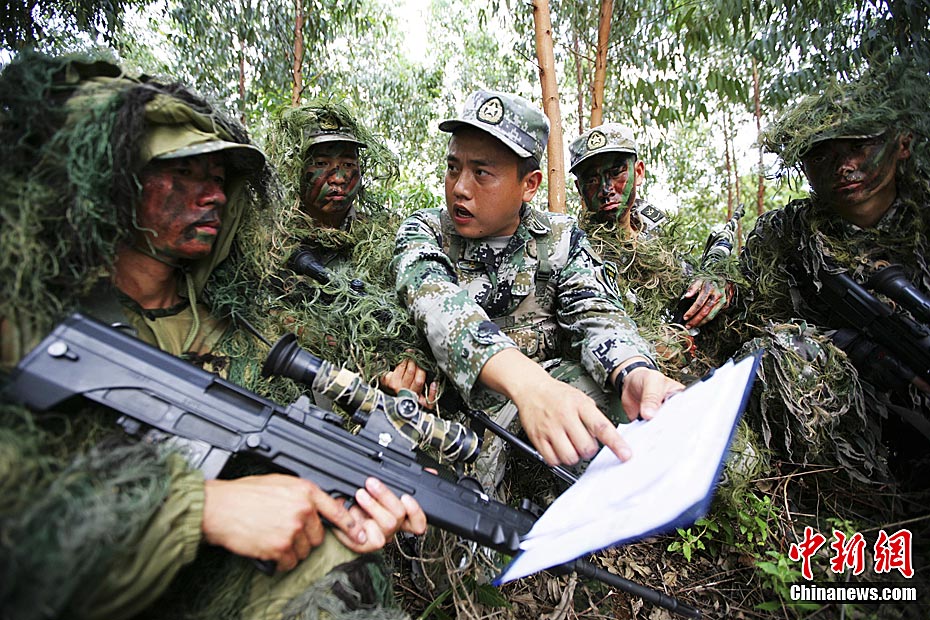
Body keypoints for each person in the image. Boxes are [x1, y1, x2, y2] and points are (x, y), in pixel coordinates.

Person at [0, 52, 425, 620]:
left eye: (219, 179)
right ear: (115, 185)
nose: (214, 196)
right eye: (183, 175)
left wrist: (348, 495)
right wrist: (202, 508)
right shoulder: (29, 321)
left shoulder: (237, 320)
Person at [392, 90, 683, 490]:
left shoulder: (560, 239)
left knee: (641, 420)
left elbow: (596, 310)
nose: (459, 188)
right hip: (452, 421)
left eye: (481, 173)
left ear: (528, 185)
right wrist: (531, 387)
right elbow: (437, 303)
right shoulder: (425, 232)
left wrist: (632, 369)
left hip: (546, 406)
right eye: (452, 167)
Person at [736, 59, 930, 484]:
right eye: (822, 155)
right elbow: (757, 318)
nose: (843, 166)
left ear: (902, 144)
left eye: (857, 147)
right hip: (858, 406)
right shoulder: (787, 233)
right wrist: (859, 349)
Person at [260, 103, 437, 407]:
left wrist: (412, 363)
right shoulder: (270, 242)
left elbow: (423, 310)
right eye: (322, 163)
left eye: (347, 163)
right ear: (297, 169)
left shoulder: (388, 235)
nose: (338, 178)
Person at [568, 122, 736, 335]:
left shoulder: (657, 235)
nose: (606, 190)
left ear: (638, 173)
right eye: (592, 180)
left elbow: (693, 280)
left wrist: (717, 282)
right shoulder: (576, 252)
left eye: (616, 173)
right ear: (579, 189)